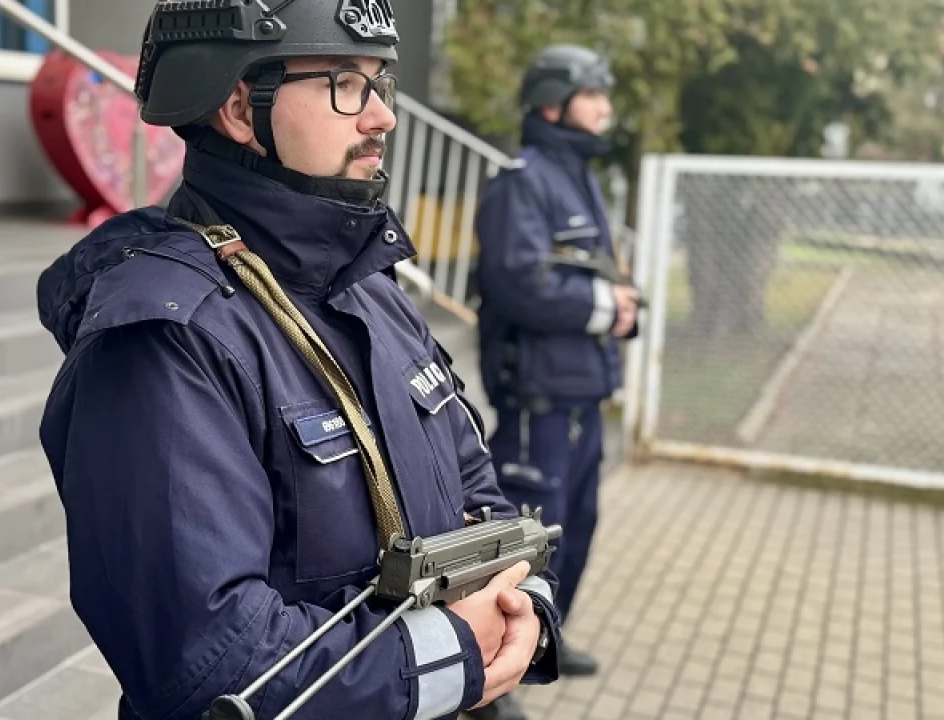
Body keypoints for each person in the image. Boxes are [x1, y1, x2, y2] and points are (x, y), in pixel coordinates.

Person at [33, 2, 561, 719]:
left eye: (381, 83)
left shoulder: (370, 285)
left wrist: (524, 603)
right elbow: (206, 663)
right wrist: (454, 659)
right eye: (346, 83)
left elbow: (476, 487)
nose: (382, 118)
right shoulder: (165, 337)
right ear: (239, 107)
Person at [468, 44, 639, 720]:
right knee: (527, 541)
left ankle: (547, 639)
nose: (606, 107)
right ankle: (494, 681)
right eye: (593, 93)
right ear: (552, 102)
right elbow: (518, 282)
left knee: (580, 527)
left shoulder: (580, 174)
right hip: (538, 403)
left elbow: (581, 268)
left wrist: (621, 304)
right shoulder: (523, 178)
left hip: (581, 396)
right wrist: (604, 308)